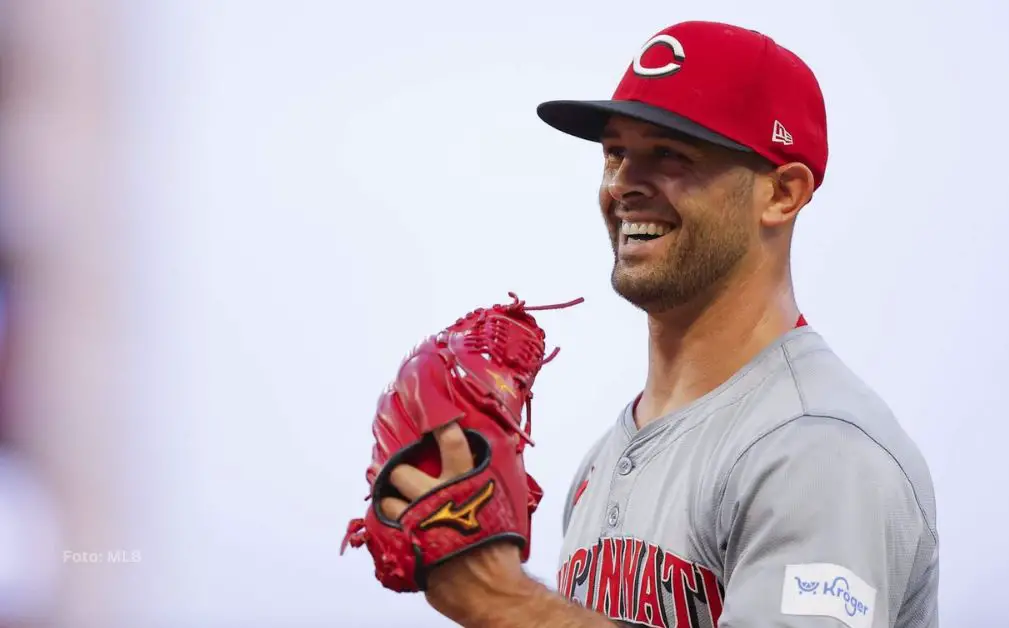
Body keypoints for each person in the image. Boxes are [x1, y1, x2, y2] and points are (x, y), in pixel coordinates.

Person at [380, 19, 939, 628]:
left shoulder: (820, 448)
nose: (622, 184)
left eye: (670, 152)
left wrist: (503, 601)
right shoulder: (602, 462)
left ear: (782, 193)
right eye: (616, 152)